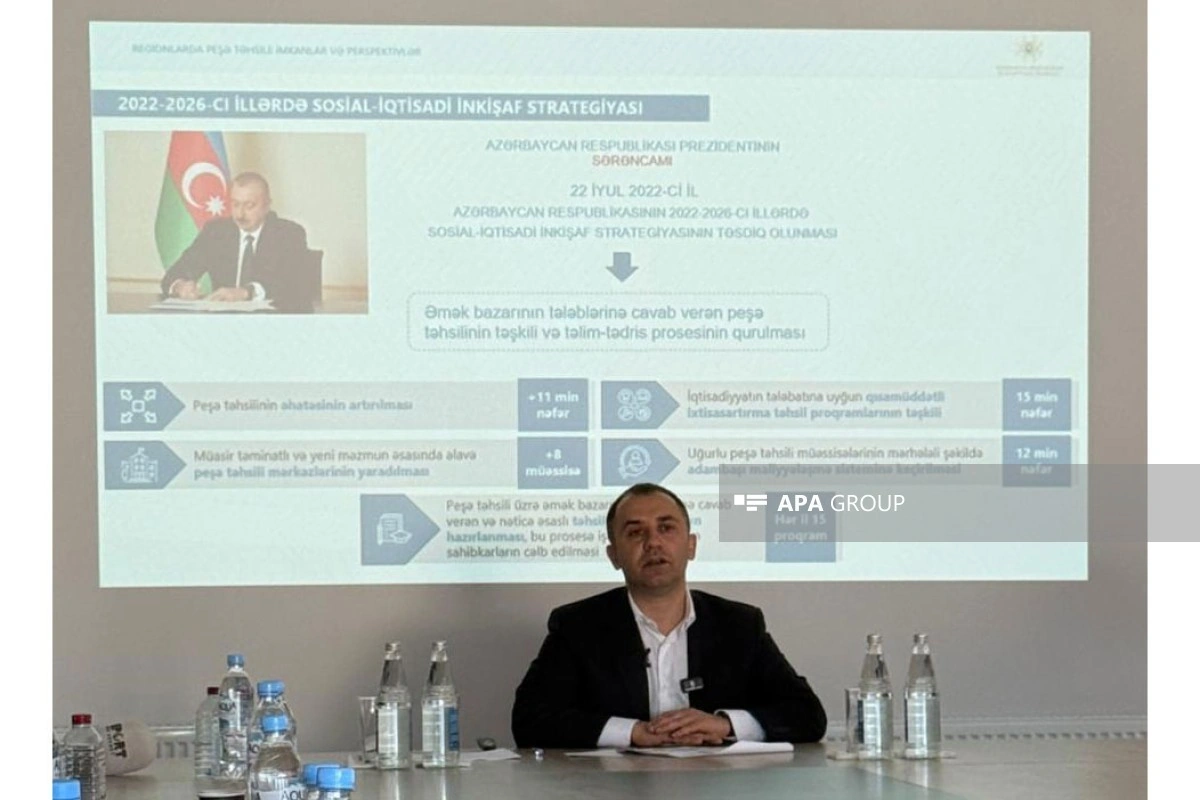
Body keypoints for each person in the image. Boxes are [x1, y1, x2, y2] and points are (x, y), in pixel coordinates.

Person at [511, 483, 827, 749]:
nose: (653, 543)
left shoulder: (738, 625)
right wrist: (633, 732)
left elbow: (807, 715)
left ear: (691, 545)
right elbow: (530, 720)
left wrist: (724, 724)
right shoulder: (578, 626)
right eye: (635, 533)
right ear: (614, 555)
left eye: (666, 528)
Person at [161, 172, 314, 313]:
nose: (240, 214)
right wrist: (180, 286)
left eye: (249, 206)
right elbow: (174, 274)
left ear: (267, 205)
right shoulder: (216, 232)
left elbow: (293, 285)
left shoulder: (288, 234)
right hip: (222, 322)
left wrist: (246, 292)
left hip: (272, 323)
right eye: (235, 204)